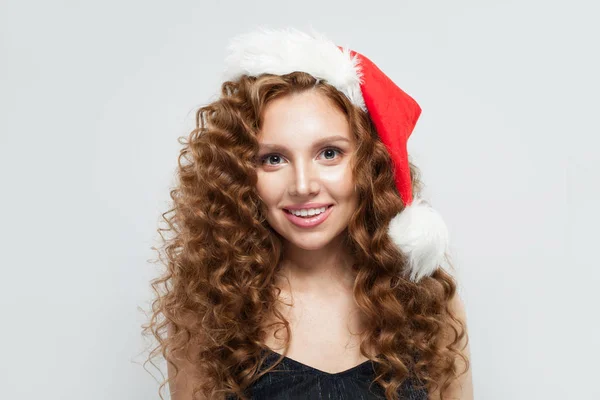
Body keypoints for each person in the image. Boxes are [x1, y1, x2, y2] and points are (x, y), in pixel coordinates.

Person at [142, 27, 473, 400]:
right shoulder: (209, 312)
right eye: (274, 159)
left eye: (329, 153)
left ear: (369, 162)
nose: (302, 185)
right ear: (239, 175)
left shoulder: (427, 301)